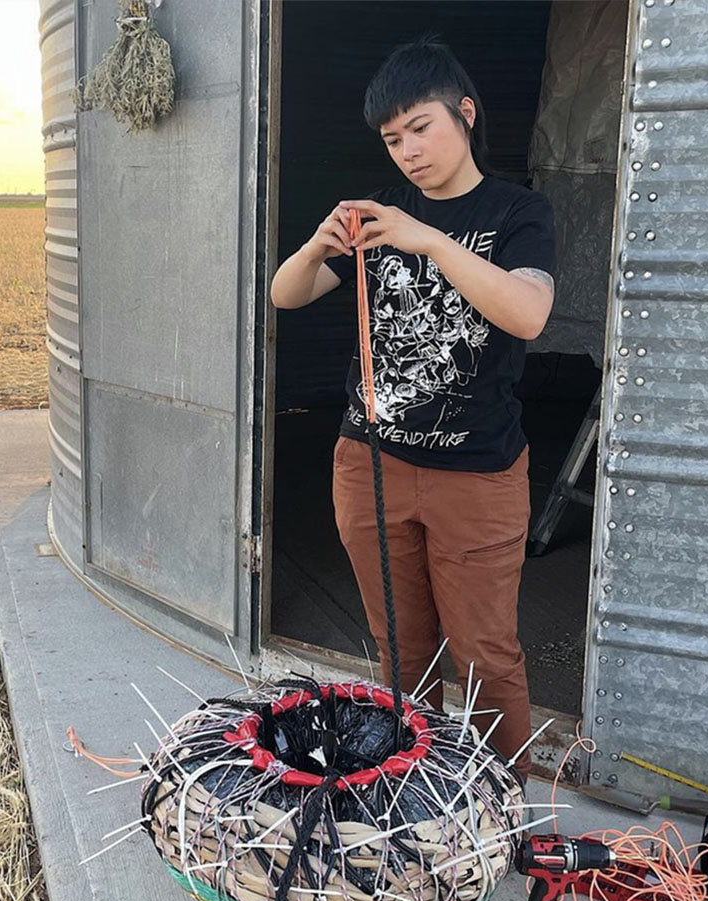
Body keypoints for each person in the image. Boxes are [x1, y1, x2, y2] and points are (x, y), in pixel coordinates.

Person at [269, 38, 556, 781]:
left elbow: (527, 313)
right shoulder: (379, 214)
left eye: (420, 128)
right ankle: (415, 783)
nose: (407, 152)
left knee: (485, 653)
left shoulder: (516, 211)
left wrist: (430, 239)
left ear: (465, 113)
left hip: (478, 472)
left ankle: (501, 808)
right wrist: (315, 246)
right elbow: (285, 295)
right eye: (393, 140)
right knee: (400, 644)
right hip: (370, 463)